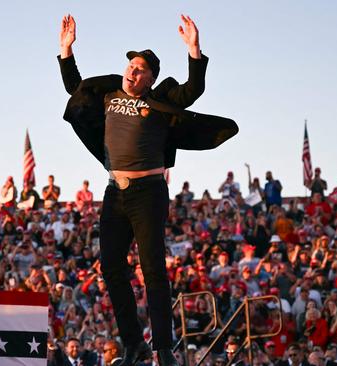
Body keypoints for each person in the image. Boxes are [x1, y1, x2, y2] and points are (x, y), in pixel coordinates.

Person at [58, 13, 236, 366]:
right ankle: (132, 344)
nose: (132, 71)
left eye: (140, 69)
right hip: (115, 192)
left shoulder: (160, 100)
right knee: (110, 267)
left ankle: (164, 348)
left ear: (150, 77)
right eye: (130, 66)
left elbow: (192, 90)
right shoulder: (108, 95)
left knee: (152, 269)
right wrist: (66, 51)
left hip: (148, 193)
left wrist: (194, 51)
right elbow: (75, 89)